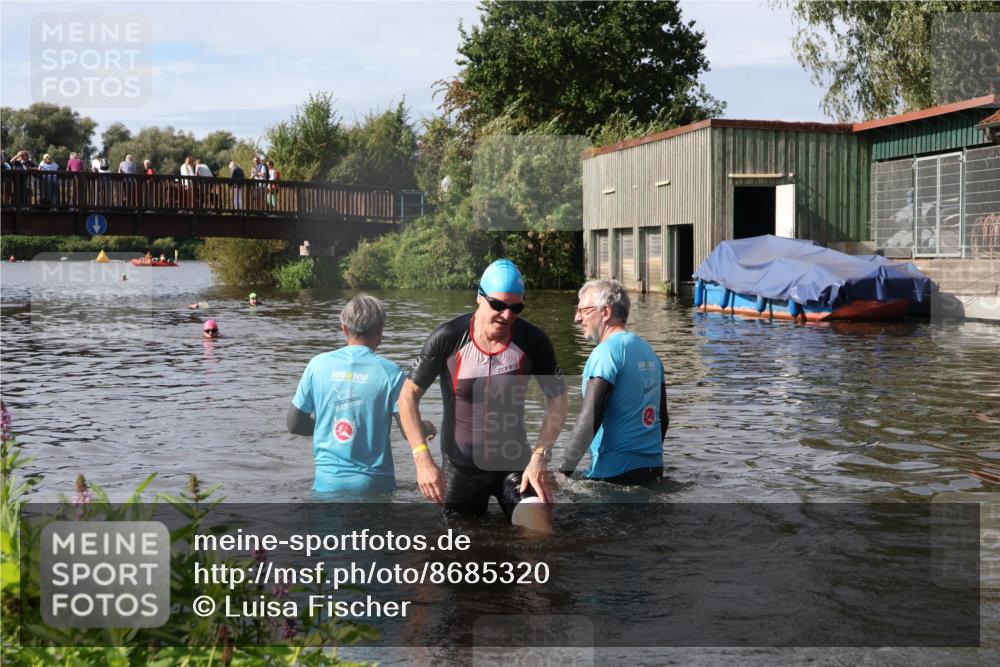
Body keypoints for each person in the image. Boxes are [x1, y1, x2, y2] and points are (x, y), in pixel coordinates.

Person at [398, 259, 568, 533]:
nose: (507, 315)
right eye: (498, 305)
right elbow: (407, 398)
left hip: (514, 465)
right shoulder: (449, 337)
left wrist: (539, 456)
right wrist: (422, 460)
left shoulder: (533, 340)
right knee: (455, 553)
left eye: (516, 308)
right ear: (479, 297)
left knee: (541, 533)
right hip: (461, 469)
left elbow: (559, 400)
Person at [287, 295, 435, 493]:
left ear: (344, 329)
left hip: (326, 485)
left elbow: (294, 424)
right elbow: (407, 431)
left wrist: (328, 426)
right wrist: (425, 427)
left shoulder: (317, 365)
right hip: (374, 487)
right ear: (380, 331)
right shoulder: (391, 373)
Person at [558, 279, 668, 485]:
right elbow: (664, 418)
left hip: (614, 474)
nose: (577, 318)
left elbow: (590, 418)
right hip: (653, 470)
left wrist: (563, 472)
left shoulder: (605, 353)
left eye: (583, 311)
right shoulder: (650, 353)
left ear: (606, 312)